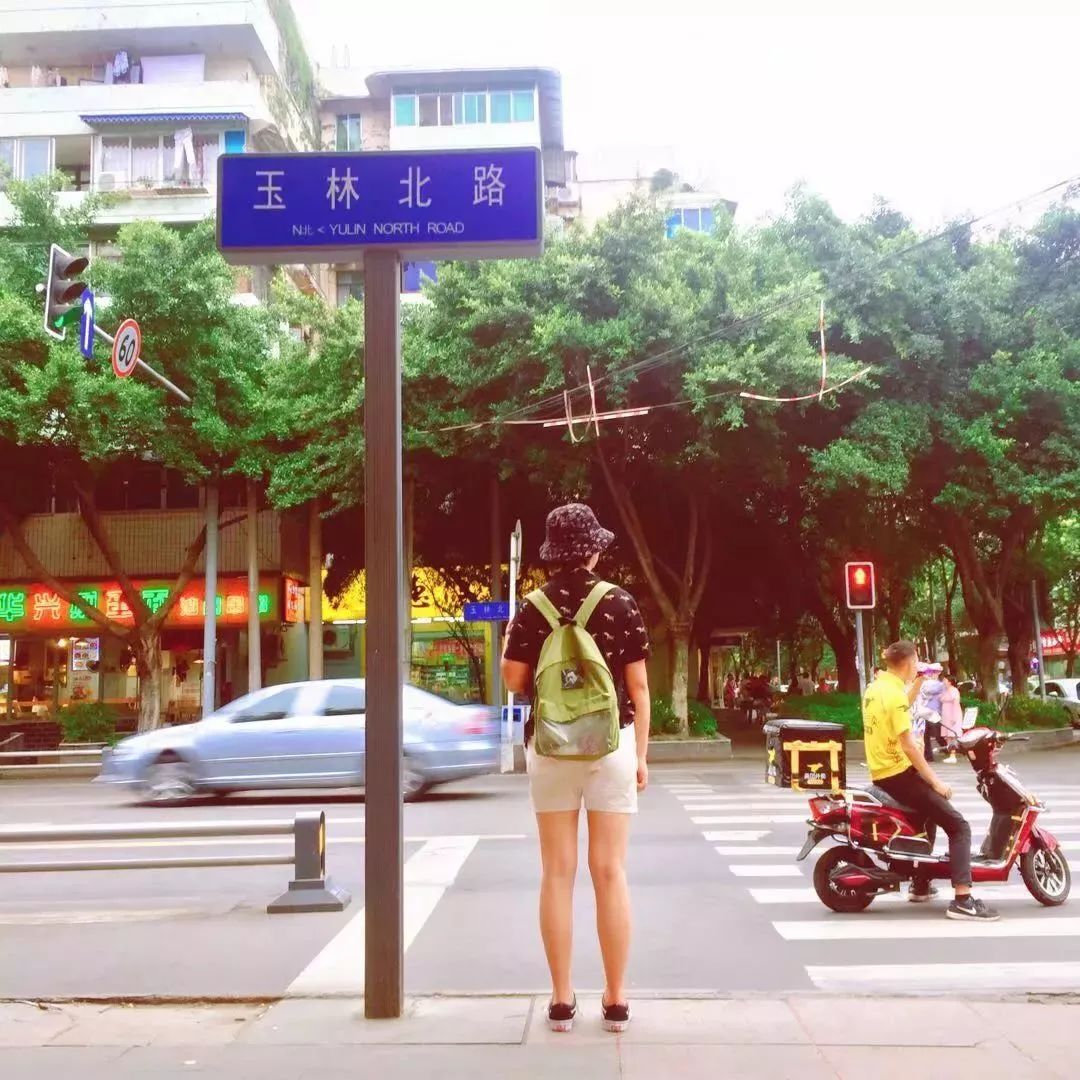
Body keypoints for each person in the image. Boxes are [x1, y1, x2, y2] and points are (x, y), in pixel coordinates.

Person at [501, 504, 650, 1034]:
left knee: (557, 873)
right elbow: (638, 688)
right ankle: (616, 1001)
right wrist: (641, 756)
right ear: (593, 550)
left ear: (550, 553)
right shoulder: (620, 602)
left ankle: (562, 1001)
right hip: (610, 746)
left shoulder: (532, 607)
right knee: (610, 871)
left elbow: (513, 679)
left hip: (551, 746)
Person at [863, 640, 997, 920]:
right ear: (910, 662)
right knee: (959, 827)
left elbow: (902, 705)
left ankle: (921, 883)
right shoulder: (894, 695)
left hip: (881, 772)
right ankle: (963, 899)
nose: (918, 666)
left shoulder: (875, 688)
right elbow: (909, 747)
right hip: (899, 774)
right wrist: (936, 782)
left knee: (929, 818)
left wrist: (920, 681)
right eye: (917, 662)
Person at [939, 674, 963, 764]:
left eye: (945, 680)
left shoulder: (954, 690)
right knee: (948, 735)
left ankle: (953, 755)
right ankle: (951, 754)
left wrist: (954, 717)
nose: (943, 681)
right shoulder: (946, 690)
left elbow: (956, 704)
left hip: (952, 715)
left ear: (949, 682)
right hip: (946, 715)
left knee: (952, 735)